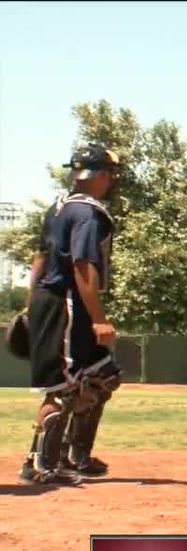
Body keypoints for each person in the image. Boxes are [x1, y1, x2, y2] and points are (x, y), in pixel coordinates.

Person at [18, 144, 123, 485]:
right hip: (67, 302)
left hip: (53, 299)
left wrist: (28, 301)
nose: (112, 181)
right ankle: (39, 465)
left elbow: (39, 257)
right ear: (102, 175)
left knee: (102, 375)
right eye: (110, 174)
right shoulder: (88, 214)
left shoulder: (58, 209)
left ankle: (74, 456)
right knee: (62, 387)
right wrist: (98, 318)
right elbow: (81, 265)